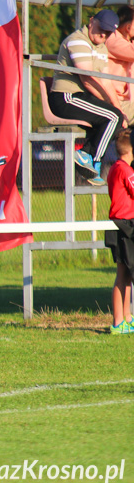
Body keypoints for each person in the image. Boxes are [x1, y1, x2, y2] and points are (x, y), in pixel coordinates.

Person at [49, 9, 123, 186]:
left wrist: (119, 108)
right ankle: (93, 160)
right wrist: (112, 108)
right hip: (65, 97)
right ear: (91, 22)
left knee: (119, 117)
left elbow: (106, 82)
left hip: (80, 96)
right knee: (113, 117)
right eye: (100, 28)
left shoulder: (101, 47)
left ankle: (88, 156)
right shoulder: (77, 41)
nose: (102, 34)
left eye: (107, 32)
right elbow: (88, 80)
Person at [105, 129, 134, 334]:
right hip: (124, 225)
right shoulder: (125, 170)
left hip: (120, 223)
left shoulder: (115, 167)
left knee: (127, 274)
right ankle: (117, 321)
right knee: (122, 273)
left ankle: (127, 317)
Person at [106, 5, 134, 123]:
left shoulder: (126, 42)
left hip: (126, 101)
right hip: (115, 101)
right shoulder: (112, 40)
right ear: (128, 27)